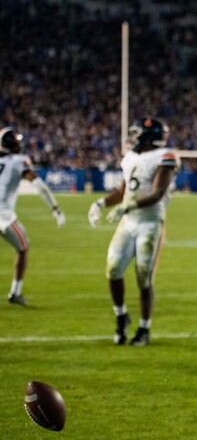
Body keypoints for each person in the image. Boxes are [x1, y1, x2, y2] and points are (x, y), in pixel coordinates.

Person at [87, 118, 180, 346]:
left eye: (137, 133)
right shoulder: (130, 157)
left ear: (149, 135)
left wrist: (130, 205)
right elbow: (123, 191)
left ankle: (144, 329)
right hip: (128, 222)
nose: (133, 136)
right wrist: (100, 203)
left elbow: (157, 192)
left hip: (150, 223)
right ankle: (121, 316)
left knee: (143, 278)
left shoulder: (166, 156)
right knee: (113, 269)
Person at [0, 127, 65, 306]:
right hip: (3, 216)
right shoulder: (18, 161)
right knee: (23, 248)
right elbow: (40, 186)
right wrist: (55, 208)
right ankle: (15, 292)